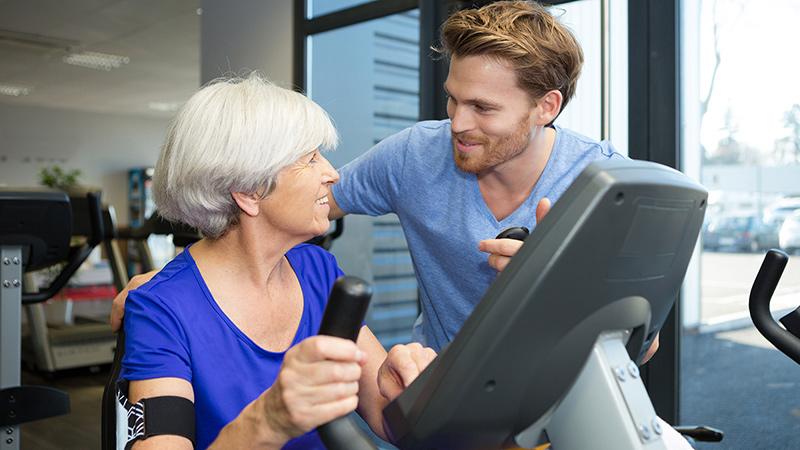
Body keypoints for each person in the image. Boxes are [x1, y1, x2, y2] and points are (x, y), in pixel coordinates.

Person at [111, 1, 658, 357]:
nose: (458, 124)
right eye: (453, 98)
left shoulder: (606, 185)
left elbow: (642, 346)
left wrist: (571, 290)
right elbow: (274, 199)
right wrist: (176, 288)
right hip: (441, 392)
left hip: (568, 396)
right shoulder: (416, 155)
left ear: (546, 107)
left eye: (483, 108)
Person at [118, 74, 434, 450]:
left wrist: (411, 393)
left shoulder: (318, 270)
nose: (332, 174)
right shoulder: (162, 308)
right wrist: (268, 420)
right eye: (310, 159)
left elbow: (385, 415)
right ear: (250, 192)